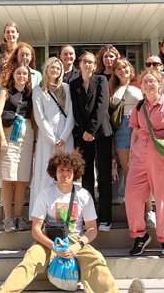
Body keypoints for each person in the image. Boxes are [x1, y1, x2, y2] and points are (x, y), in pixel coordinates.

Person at [0, 152, 146, 293]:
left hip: (76, 241)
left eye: (69, 170)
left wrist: (78, 246)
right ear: (55, 171)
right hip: (49, 242)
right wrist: (54, 247)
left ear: (75, 172)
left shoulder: (84, 195)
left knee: (96, 261)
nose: (65, 174)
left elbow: (92, 229)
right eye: (61, 169)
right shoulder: (45, 194)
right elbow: (36, 230)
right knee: (30, 260)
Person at [126, 69, 164, 259]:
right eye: (144, 82)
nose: (148, 84)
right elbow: (135, 132)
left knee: (163, 199)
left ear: (159, 84)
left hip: (163, 157)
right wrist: (131, 154)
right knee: (132, 197)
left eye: (151, 81)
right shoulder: (138, 106)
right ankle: (140, 235)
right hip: (140, 155)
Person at [70, 51, 114, 232]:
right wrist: (84, 131)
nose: (88, 65)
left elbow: (102, 106)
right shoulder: (73, 84)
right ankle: (89, 218)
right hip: (83, 135)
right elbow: (75, 110)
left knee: (104, 176)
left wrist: (91, 130)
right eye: (85, 62)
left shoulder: (101, 80)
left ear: (95, 66)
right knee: (86, 178)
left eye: (91, 62)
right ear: (79, 64)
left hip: (101, 132)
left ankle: (105, 218)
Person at [31, 57, 75, 215]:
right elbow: (39, 117)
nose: (55, 71)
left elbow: (71, 114)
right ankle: (43, 214)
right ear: (47, 68)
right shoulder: (38, 89)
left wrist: (64, 136)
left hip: (65, 136)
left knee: (65, 172)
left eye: (58, 68)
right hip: (46, 138)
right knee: (46, 173)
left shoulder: (66, 88)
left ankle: (64, 213)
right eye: (52, 68)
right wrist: (53, 138)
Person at [0, 62, 34, 233]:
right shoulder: (5, 91)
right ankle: (8, 218)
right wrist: (2, 138)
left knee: (21, 178)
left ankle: (19, 216)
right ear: (13, 74)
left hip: (27, 136)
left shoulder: (31, 93)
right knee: (8, 177)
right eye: (19, 73)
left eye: (25, 74)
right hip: (9, 135)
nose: (22, 76)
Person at [108, 59, 143, 205]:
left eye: (125, 66)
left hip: (138, 127)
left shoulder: (139, 85)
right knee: (128, 169)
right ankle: (132, 206)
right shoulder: (112, 88)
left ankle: (142, 205)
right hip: (121, 128)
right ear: (115, 72)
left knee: (139, 168)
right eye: (118, 68)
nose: (123, 70)